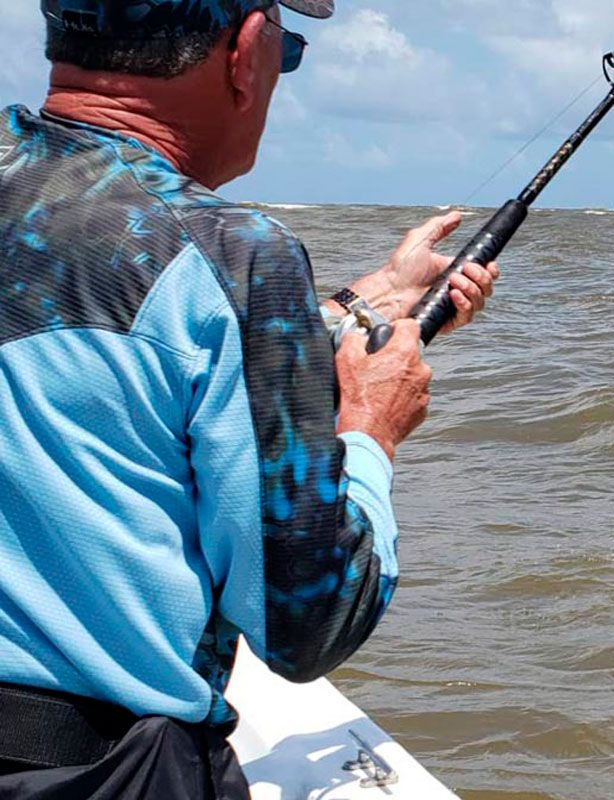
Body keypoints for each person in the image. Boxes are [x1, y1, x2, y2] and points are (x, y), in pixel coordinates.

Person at [0, 1, 499, 797]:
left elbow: (92, 327)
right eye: (288, 49)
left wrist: (370, 301)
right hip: (96, 773)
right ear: (243, 53)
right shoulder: (234, 255)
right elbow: (309, 625)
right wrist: (370, 427)